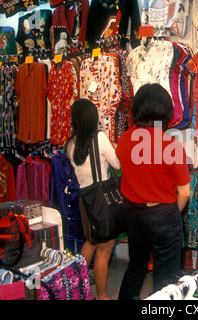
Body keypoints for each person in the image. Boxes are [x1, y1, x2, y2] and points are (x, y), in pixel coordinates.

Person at [115, 83, 191, 300]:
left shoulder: (124, 140)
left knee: (135, 269)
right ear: (166, 112)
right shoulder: (170, 146)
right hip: (162, 214)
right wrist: (170, 213)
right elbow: (184, 192)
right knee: (166, 279)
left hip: (134, 214)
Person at [65, 99, 121, 300]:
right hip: (102, 199)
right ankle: (102, 296)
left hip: (85, 200)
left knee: (91, 241)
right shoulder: (100, 138)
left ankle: (74, 288)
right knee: (104, 249)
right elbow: (116, 164)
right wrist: (115, 147)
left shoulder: (70, 144)